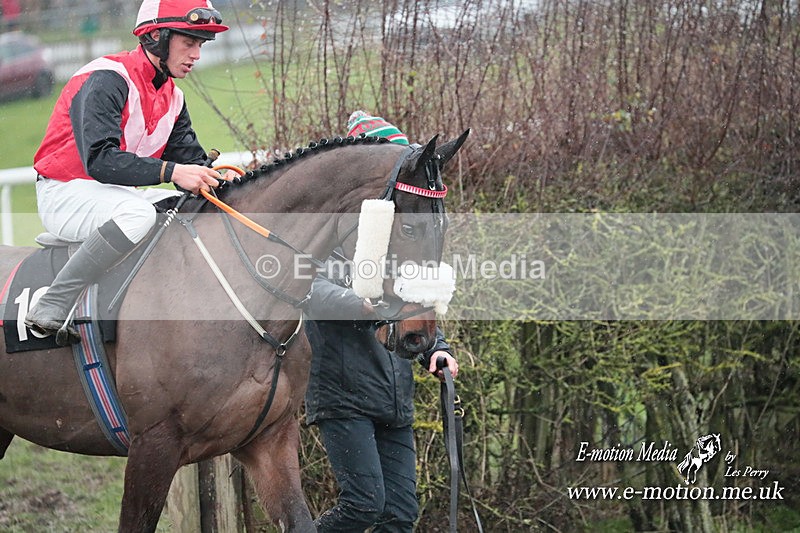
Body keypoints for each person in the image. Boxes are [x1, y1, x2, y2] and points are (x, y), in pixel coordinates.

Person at [25, 0, 229, 344]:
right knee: (138, 214)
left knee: (192, 209)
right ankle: (53, 303)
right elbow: (101, 161)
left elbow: (192, 163)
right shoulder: (107, 78)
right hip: (65, 192)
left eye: (201, 45)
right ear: (157, 38)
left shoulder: (173, 97)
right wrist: (173, 172)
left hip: (114, 196)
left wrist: (224, 180)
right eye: (189, 42)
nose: (197, 54)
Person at [303, 111, 459, 533]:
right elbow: (309, 291)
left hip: (394, 396)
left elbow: (413, 304)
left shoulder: (395, 240)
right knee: (362, 508)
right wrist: (362, 304)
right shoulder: (326, 228)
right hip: (342, 393)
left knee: (402, 515)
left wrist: (438, 346)